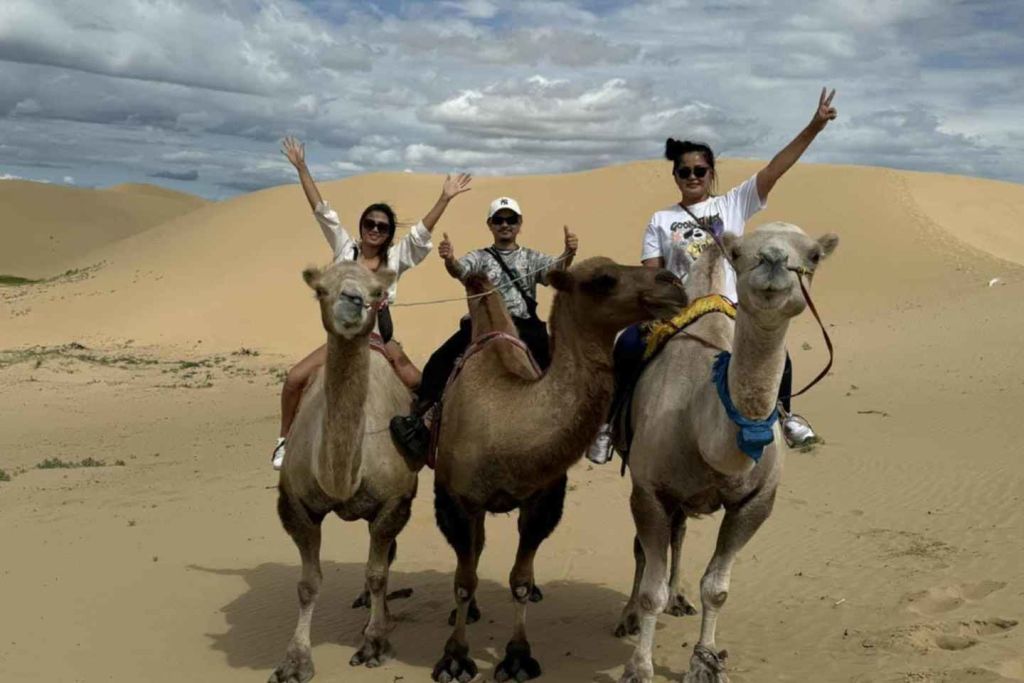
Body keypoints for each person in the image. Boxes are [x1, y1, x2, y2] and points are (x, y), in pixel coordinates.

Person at [587, 88, 839, 463]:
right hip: (679, 311)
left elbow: (775, 169)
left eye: (700, 171)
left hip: (730, 307)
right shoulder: (661, 219)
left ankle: (785, 415)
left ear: (710, 173)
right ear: (676, 176)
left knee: (778, 356)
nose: (692, 176)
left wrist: (814, 126)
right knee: (627, 345)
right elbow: (653, 273)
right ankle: (610, 425)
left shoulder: (733, 203)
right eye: (684, 171)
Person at [272, 136, 472, 470]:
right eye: (370, 224)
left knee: (423, 384)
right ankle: (284, 440)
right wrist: (302, 168)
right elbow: (322, 212)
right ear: (362, 226)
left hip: (380, 338)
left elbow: (421, 234)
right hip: (344, 339)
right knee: (294, 379)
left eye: (382, 226)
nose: (375, 230)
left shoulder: (395, 258)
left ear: (388, 233)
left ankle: (428, 437)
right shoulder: (344, 249)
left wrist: (444, 198)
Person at [389, 196, 578, 461]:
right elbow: (461, 270)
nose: (505, 225)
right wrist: (450, 260)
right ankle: (423, 424)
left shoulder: (531, 258)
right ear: (490, 224)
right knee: (438, 363)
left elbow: (554, 271)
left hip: (523, 326)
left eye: (510, 219)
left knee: (560, 366)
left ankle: (568, 429)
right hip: (481, 326)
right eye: (498, 220)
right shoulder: (480, 257)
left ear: (519, 223)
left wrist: (569, 253)